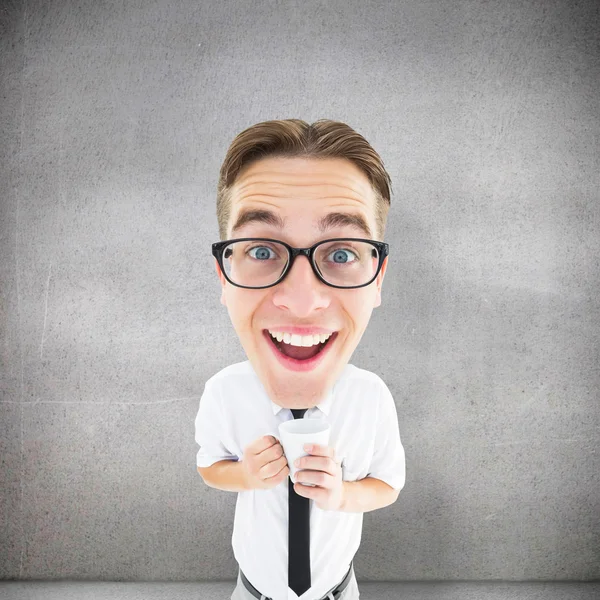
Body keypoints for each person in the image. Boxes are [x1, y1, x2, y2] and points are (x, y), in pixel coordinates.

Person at [195, 119, 406, 600]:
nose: (303, 300)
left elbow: (388, 484)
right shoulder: (224, 393)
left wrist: (342, 494)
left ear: (377, 279)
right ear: (224, 278)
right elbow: (209, 466)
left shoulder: (370, 397)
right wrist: (245, 476)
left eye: (342, 254)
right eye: (263, 249)